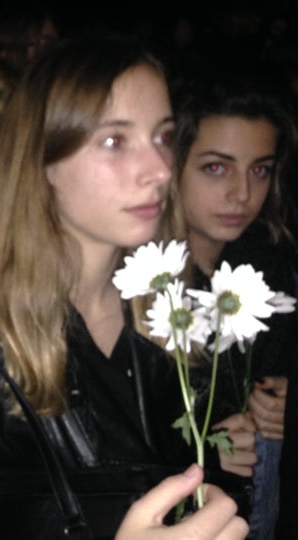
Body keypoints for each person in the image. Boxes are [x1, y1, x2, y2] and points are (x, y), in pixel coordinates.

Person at [0, 34, 252, 539]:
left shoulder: (178, 314)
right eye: (115, 141)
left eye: (163, 137)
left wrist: (220, 461)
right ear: (42, 162)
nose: (159, 170)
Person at [173, 64, 298, 540]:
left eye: (260, 170)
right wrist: (196, 448)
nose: (243, 194)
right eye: (216, 168)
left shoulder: (271, 261)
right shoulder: (138, 290)